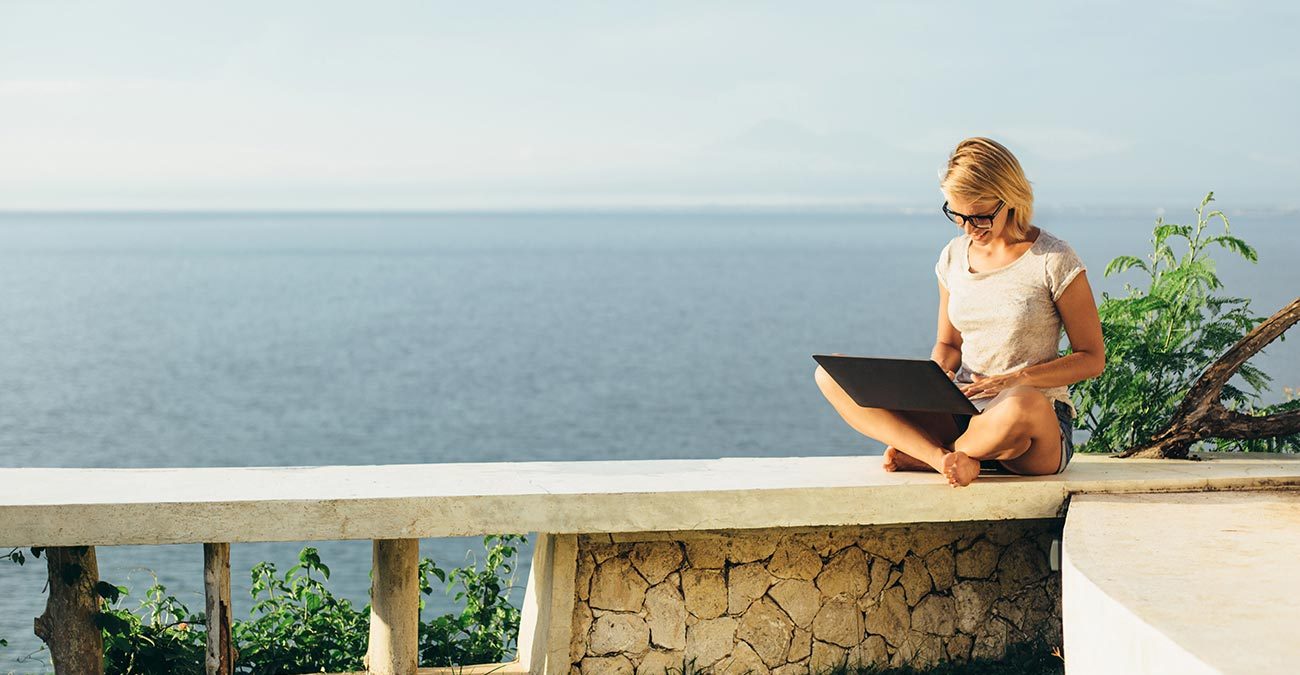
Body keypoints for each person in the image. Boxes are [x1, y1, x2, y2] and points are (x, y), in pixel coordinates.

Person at [814, 137, 1105, 487]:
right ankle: (944, 458)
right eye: (958, 216)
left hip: (1032, 423)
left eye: (980, 217)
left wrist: (1016, 379)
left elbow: (1092, 358)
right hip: (963, 410)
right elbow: (948, 345)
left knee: (1021, 404)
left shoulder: (1054, 259)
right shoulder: (952, 257)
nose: (969, 228)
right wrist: (933, 381)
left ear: (1010, 198)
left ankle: (925, 452)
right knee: (831, 376)